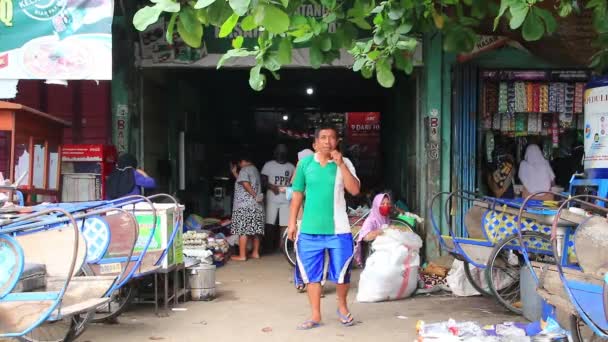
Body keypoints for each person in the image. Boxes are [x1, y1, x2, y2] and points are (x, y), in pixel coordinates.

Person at [288, 125, 361, 330]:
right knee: (312, 275)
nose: (328, 141)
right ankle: (315, 315)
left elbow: (354, 190)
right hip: (310, 229)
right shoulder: (304, 164)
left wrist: (341, 165)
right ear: (315, 143)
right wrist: (292, 222)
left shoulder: (345, 163)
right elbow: (297, 195)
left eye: (332, 138)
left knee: (342, 273)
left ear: (337, 142)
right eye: (323, 137)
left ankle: (343, 307)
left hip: (339, 230)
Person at [230, 152, 265, 261]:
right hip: (256, 206)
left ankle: (242, 255)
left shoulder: (245, 170)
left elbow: (245, 183)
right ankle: (255, 253)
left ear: (242, 161)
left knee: (243, 230)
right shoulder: (254, 169)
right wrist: (235, 173)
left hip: (245, 206)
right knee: (255, 231)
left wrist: (255, 196)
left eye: (239, 164)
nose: (239, 166)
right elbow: (242, 182)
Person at [261, 144, 295, 252]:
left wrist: (289, 187)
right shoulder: (269, 165)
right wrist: (272, 187)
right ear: (275, 153)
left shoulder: (291, 166)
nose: (281, 154)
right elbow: (263, 180)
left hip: (286, 198)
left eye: (283, 152)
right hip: (272, 197)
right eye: (279, 152)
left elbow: (294, 182)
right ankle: (269, 246)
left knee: (284, 223)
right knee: (270, 222)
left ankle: (282, 246)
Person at [353, 193, 391, 266]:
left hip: (383, 257)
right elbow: (365, 237)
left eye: (388, 204)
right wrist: (382, 231)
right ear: (376, 205)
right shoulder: (371, 220)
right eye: (382, 204)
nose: (385, 206)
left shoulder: (386, 218)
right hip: (371, 259)